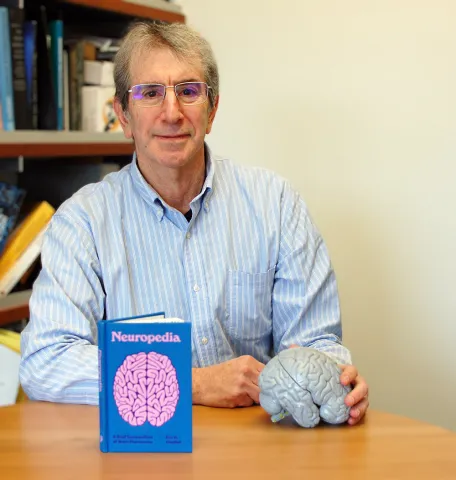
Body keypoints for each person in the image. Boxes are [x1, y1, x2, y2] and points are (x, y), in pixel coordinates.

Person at [20, 21, 369, 425]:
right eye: (150, 93)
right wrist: (193, 383)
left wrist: (334, 376)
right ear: (123, 115)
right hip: (138, 455)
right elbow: (46, 361)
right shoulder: (82, 223)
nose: (172, 113)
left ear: (212, 109)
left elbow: (315, 341)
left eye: (188, 91)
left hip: (258, 448)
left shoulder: (274, 203)